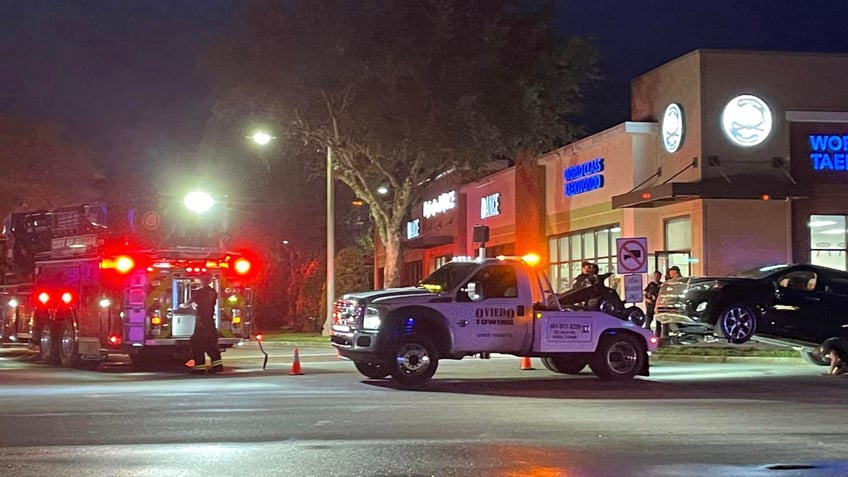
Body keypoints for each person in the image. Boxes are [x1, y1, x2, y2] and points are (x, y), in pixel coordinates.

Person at [189, 274, 223, 375]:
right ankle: (217, 366)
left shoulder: (199, 293)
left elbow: (190, 302)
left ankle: (199, 368)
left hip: (201, 323)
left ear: (202, 281)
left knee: (197, 344)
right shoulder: (213, 292)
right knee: (211, 345)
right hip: (210, 323)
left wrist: (183, 305)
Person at [643, 271, 663, 335]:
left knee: (658, 321)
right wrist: (646, 299)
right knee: (649, 318)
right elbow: (645, 293)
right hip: (650, 305)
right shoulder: (650, 284)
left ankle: (658, 334)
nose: (656, 277)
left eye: (658, 276)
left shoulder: (662, 285)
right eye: (655, 276)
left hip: (658, 305)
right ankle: (647, 332)